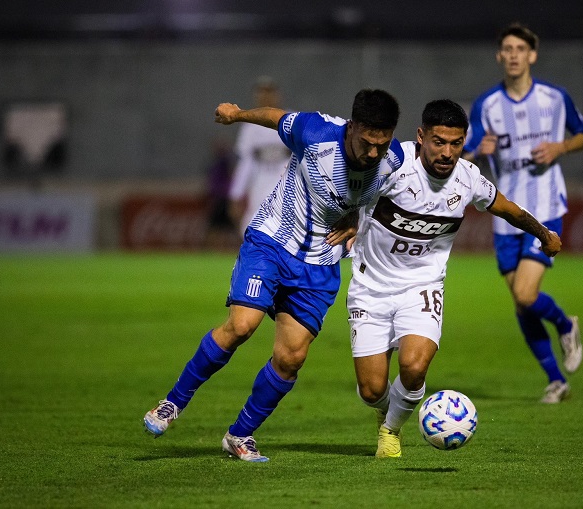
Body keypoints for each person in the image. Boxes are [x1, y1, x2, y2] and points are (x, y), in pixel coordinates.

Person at [143, 89, 405, 462]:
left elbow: (391, 194)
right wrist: (237, 114)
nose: (374, 152)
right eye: (368, 142)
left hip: (320, 264)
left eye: (383, 143)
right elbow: (274, 116)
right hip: (272, 243)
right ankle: (172, 403)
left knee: (290, 357)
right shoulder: (315, 132)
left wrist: (358, 218)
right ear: (353, 127)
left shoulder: (391, 160)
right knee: (242, 325)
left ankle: (240, 435)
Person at [343, 99, 561, 458]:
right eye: (439, 142)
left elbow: (508, 209)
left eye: (455, 143)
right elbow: (349, 190)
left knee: (414, 367)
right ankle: (386, 406)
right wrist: (349, 219)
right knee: (371, 390)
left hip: (422, 286)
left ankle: (391, 431)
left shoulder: (468, 178)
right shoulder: (392, 166)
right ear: (421, 137)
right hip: (370, 287)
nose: (447, 152)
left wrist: (543, 233)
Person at [463, 23, 583, 404]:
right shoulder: (486, 104)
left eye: (521, 48)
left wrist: (561, 148)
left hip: (547, 207)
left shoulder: (555, 98)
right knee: (521, 304)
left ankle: (566, 323)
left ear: (532, 55)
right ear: (499, 56)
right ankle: (556, 380)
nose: (515, 54)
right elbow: (462, 154)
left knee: (525, 292)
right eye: (508, 48)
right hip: (506, 214)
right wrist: (477, 150)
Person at [227, 77, 292, 236]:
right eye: (261, 92)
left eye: (269, 92)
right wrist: (236, 194)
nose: (265, 96)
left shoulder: (291, 120)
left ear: (278, 95)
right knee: (253, 229)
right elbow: (245, 164)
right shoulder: (249, 127)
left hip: (288, 186)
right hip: (259, 186)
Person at [204, 137, 237, 249]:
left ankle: (222, 249)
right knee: (219, 227)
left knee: (219, 227)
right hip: (219, 198)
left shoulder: (224, 161)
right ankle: (217, 249)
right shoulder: (217, 162)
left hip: (223, 198)